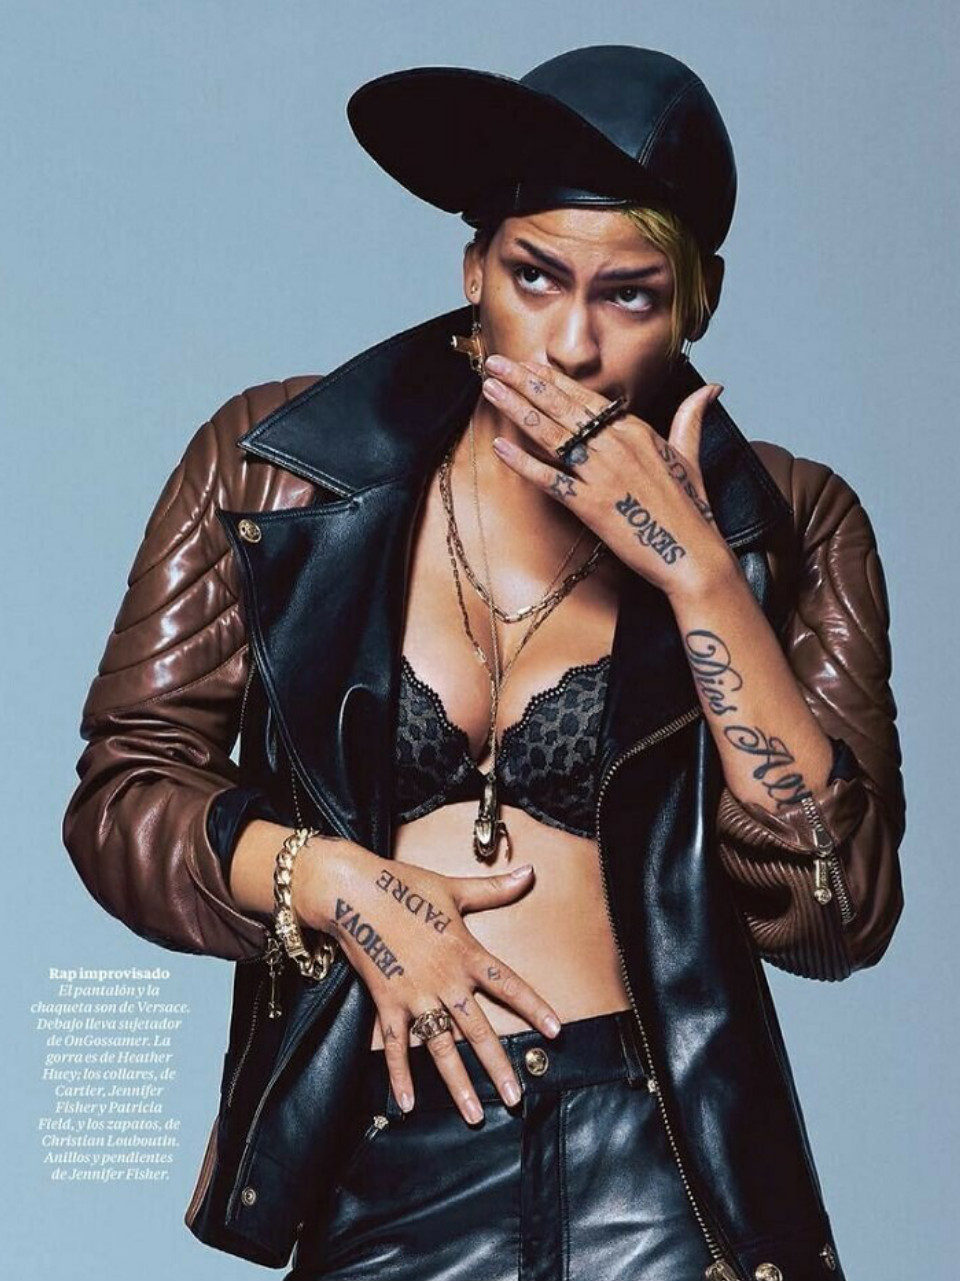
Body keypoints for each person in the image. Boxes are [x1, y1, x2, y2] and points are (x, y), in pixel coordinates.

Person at [63, 44, 905, 1281]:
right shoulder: (274, 470)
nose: (572, 344)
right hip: (381, 1140)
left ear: (697, 305)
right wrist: (334, 884)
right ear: (474, 270)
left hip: (662, 1166)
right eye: (534, 276)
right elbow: (125, 796)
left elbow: (836, 917)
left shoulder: (791, 523)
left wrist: (701, 579)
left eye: (631, 297)